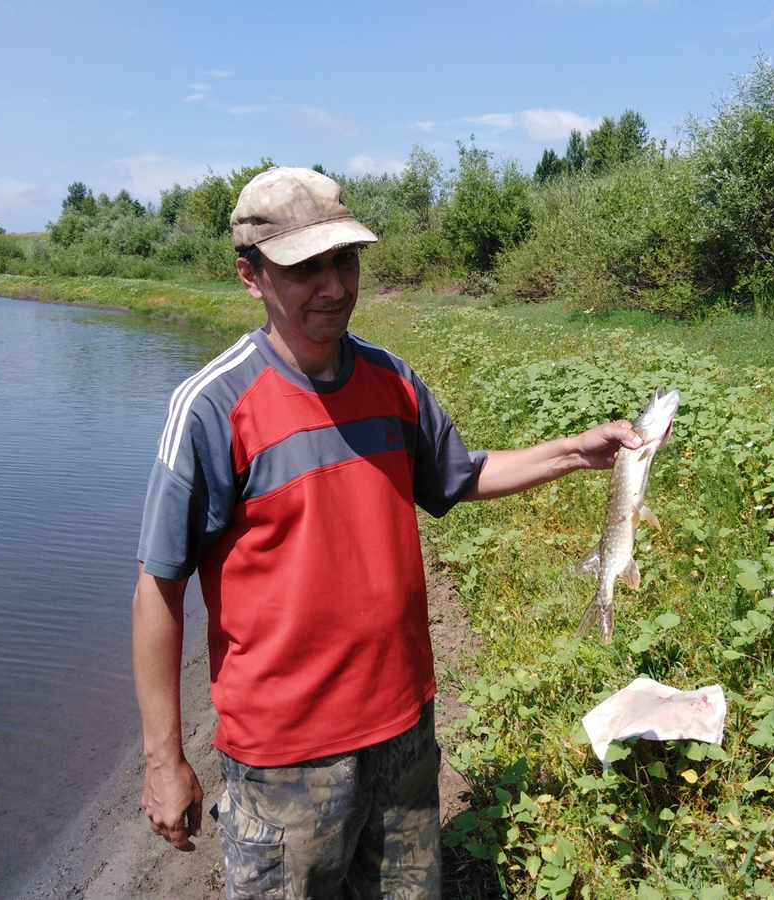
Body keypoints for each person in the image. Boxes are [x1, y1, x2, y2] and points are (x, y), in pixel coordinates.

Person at [132, 166, 643, 899]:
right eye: (304, 267)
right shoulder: (214, 408)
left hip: (403, 727)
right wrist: (162, 759)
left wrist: (575, 451)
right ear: (251, 276)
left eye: (344, 259)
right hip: (285, 761)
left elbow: (457, 476)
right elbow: (159, 588)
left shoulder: (393, 381)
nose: (334, 285)